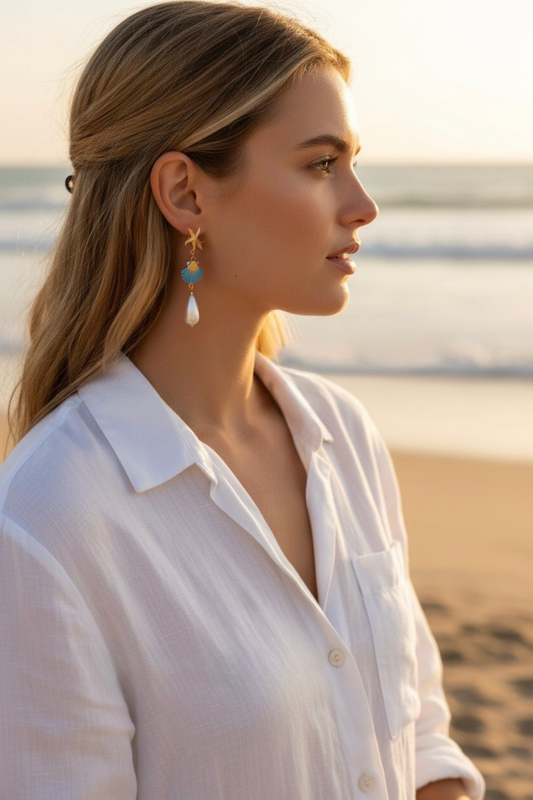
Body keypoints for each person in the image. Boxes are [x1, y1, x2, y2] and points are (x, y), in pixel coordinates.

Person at [0, 2, 486, 798]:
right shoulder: (49, 521)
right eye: (321, 163)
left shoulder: (342, 434)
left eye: (351, 160)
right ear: (186, 195)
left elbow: (420, 737)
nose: (363, 204)